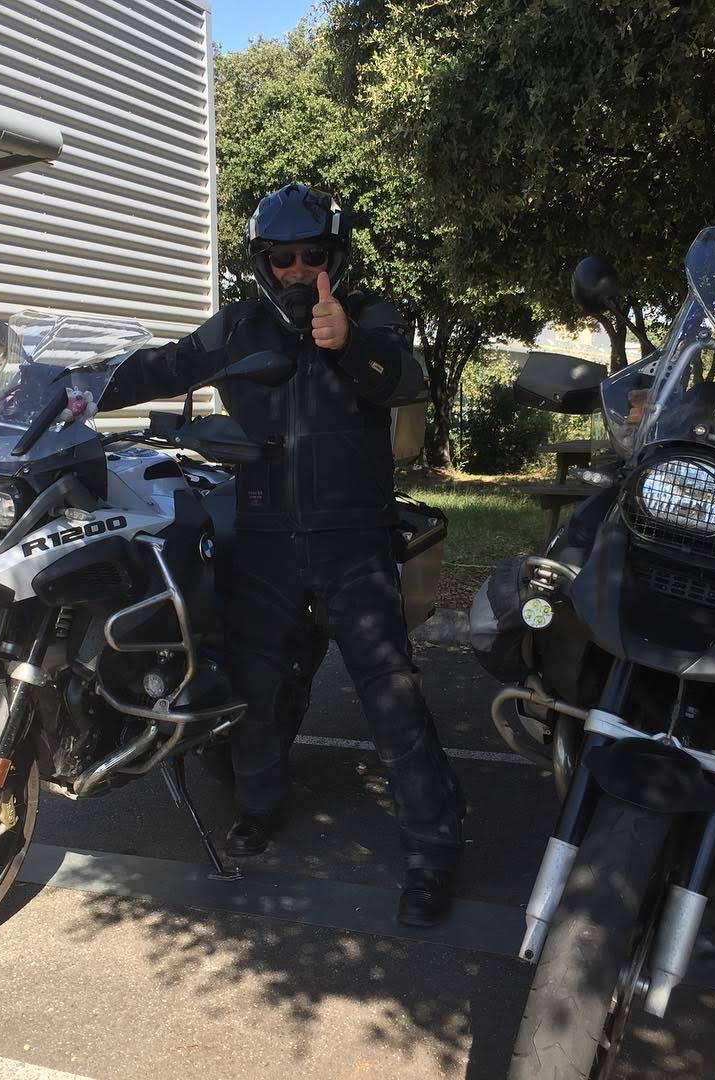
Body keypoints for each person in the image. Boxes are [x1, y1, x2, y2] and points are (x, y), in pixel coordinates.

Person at [100, 183, 465, 926]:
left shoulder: (370, 316)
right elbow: (161, 368)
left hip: (352, 539)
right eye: (282, 257)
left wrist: (349, 343)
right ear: (261, 261)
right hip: (265, 536)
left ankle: (433, 854)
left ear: (335, 256)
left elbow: (405, 379)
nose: (298, 270)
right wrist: (73, 386)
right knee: (255, 691)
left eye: (311, 255)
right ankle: (258, 807)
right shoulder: (237, 327)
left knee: (391, 698)